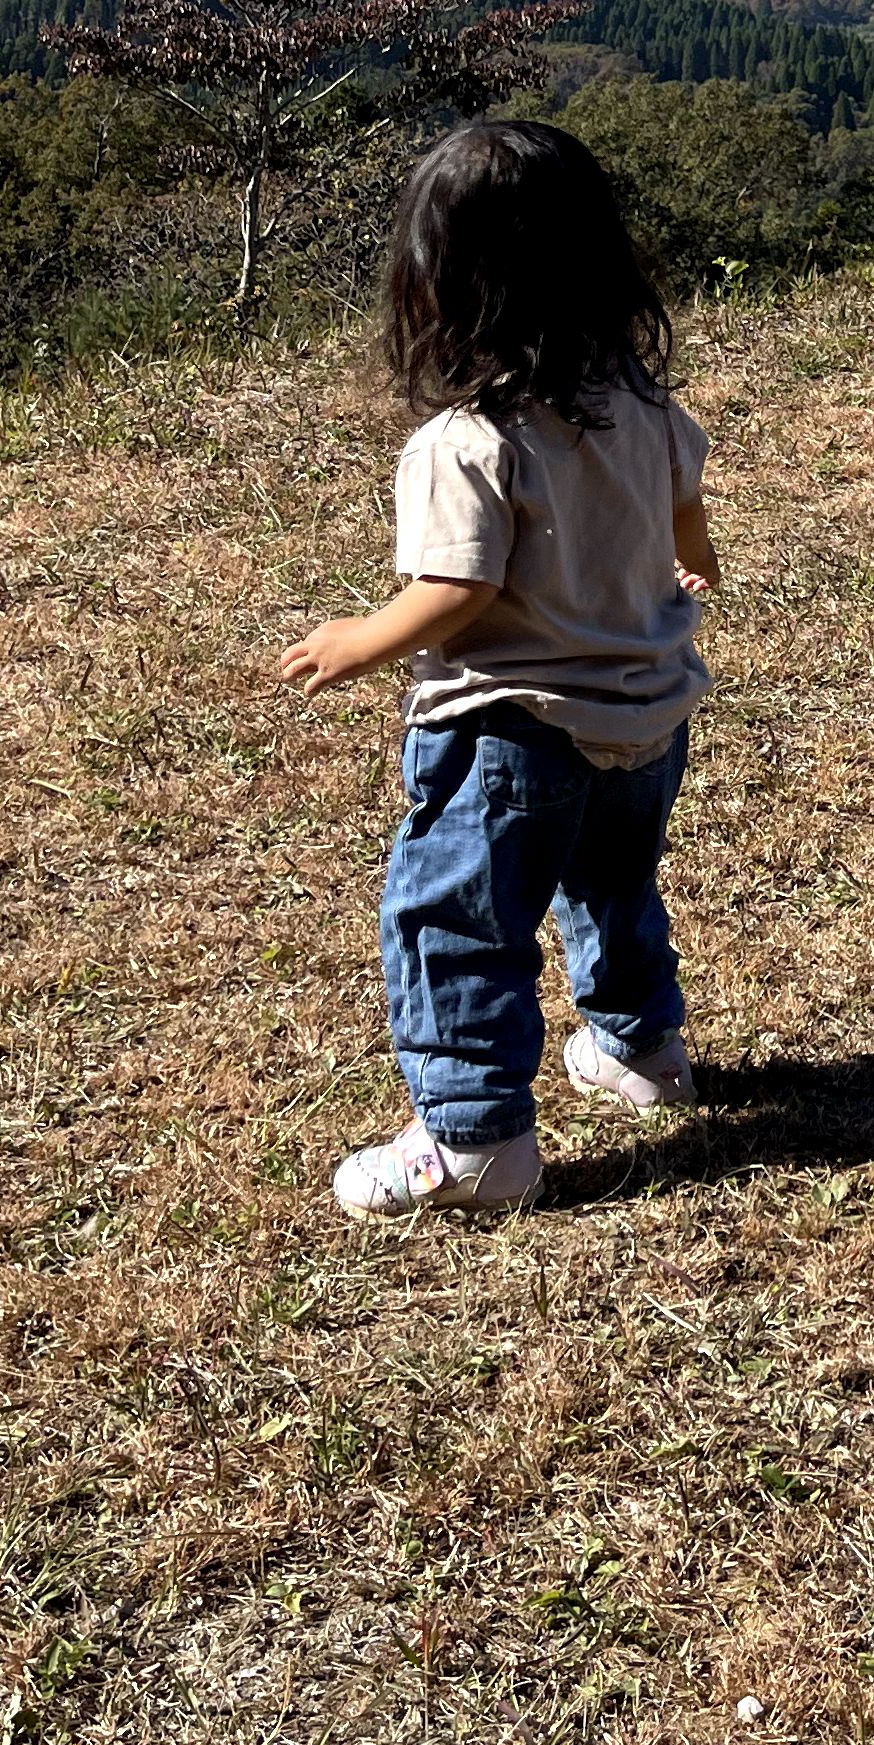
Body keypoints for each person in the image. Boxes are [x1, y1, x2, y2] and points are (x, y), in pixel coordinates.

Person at [281, 116, 718, 1220]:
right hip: (647, 719)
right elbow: (687, 519)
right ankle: (643, 1052)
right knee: (612, 888)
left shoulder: (466, 443)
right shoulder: (642, 405)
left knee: (458, 925)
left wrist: (356, 640)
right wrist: (690, 567)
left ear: (440, 284)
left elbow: (457, 594)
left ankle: (475, 1146)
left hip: (508, 731)